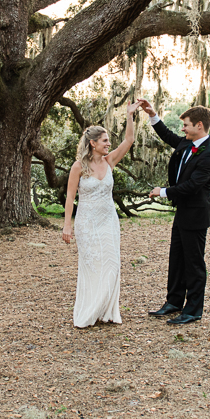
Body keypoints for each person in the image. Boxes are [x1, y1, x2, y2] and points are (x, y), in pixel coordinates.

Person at [137, 100, 210, 325]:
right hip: (182, 213)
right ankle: (173, 302)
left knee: (193, 264)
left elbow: (193, 186)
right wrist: (153, 115)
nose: (182, 129)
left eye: (186, 125)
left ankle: (193, 310)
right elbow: (168, 136)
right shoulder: (186, 143)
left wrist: (163, 191)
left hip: (196, 216)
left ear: (199, 126)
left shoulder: (209, 154)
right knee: (176, 260)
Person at [62, 102, 141, 328]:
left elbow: (129, 141)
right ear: (93, 143)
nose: (109, 144)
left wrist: (129, 115)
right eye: (105, 141)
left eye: (108, 141)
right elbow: (70, 198)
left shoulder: (110, 161)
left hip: (108, 221)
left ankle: (106, 310)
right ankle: (90, 310)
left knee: (111, 263)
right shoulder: (78, 166)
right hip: (86, 223)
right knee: (92, 264)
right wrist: (67, 225)